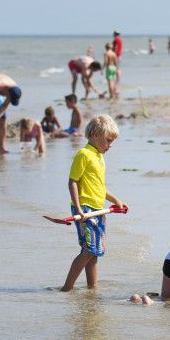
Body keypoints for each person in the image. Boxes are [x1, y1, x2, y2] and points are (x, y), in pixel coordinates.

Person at [60, 115, 126, 291]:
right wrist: (79, 208)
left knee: (95, 252)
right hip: (85, 208)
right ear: (96, 134)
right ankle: (67, 288)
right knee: (88, 249)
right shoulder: (84, 154)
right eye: (108, 140)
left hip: (98, 210)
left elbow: (99, 187)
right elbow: (73, 181)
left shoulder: (99, 157)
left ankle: (92, 289)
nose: (110, 145)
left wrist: (116, 201)